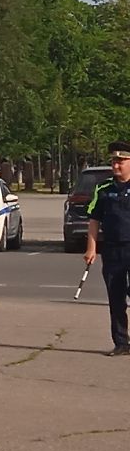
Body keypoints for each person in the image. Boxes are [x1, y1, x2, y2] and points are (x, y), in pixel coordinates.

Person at [85, 141, 130, 356]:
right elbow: (94, 219)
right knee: (116, 297)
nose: (116, 166)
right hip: (112, 250)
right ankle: (121, 342)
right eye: (114, 162)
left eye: (121, 162)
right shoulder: (103, 188)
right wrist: (91, 248)